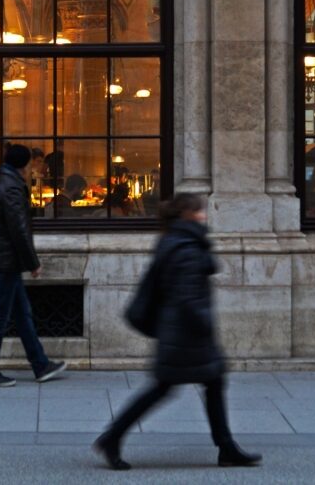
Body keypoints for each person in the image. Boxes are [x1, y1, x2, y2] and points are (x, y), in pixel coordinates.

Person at [94, 193, 261, 470]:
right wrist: (205, 323)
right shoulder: (186, 247)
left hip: (179, 330)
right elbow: (187, 296)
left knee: (207, 383)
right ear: (188, 215)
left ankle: (226, 446)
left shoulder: (175, 240)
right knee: (168, 387)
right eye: (200, 212)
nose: (204, 216)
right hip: (186, 333)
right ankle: (112, 437)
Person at [0, 143, 67, 387]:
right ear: (24, 165)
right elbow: (19, 229)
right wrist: (33, 263)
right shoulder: (11, 187)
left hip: (5, 258)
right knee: (0, 315)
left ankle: (40, 364)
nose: (31, 169)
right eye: (30, 164)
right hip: (9, 259)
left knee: (22, 313)